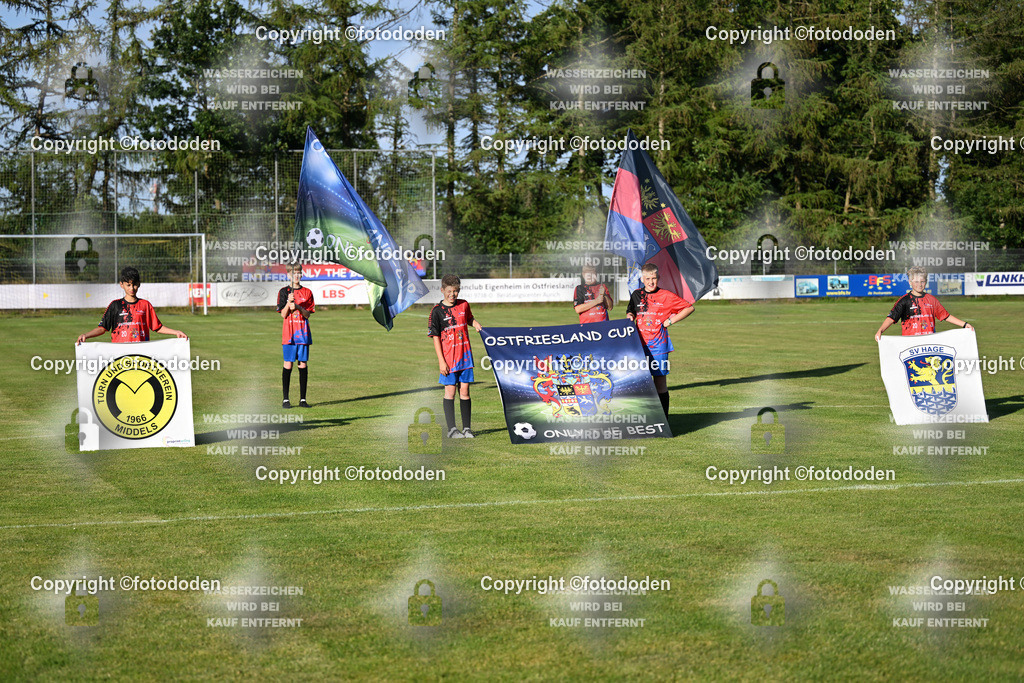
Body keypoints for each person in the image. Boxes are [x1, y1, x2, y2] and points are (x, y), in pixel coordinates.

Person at [625, 263, 694, 417]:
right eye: (648, 278)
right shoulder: (636, 294)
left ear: (658, 278)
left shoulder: (666, 296)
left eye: (654, 278)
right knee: (639, 383)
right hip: (638, 346)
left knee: (660, 382)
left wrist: (671, 321)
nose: (651, 282)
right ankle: (644, 418)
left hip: (658, 346)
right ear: (642, 279)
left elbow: (689, 308)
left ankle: (663, 420)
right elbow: (631, 311)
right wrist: (630, 316)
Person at [428, 274, 483, 438]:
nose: (453, 295)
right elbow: (435, 337)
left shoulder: (464, 305)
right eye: (450, 291)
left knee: (465, 391)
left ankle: (467, 429)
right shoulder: (436, 312)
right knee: (450, 392)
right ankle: (452, 429)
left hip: (465, 357)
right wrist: (441, 361)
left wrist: (476, 324)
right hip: (449, 360)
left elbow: (469, 318)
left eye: (456, 291)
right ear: (442, 290)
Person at [76, 266, 188, 344]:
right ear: (122, 285)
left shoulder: (145, 305)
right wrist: (86, 335)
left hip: (141, 352)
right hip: (120, 353)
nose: (131, 288)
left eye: (134, 285)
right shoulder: (115, 305)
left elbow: (157, 327)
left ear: (139, 284)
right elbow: (102, 328)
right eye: (128, 285)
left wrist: (176, 332)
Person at [875, 267, 973, 341]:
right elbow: (892, 317)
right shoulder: (904, 300)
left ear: (926, 282)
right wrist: (880, 331)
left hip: (929, 341)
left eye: (922, 281)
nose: (920, 284)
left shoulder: (931, 299)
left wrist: (964, 324)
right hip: (910, 342)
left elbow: (945, 316)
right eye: (916, 281)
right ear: (910, 282)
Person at [277, 263, 314, 408]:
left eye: (298, 273)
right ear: (289, 275)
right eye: (293, 273)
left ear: (301, 274)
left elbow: (308, 314)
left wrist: (298, 306)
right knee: (288, 364)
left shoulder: (307, 292)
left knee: (303, 364)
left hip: (303, 334)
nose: (296, 276)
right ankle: (286, 399)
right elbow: (283, 314)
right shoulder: (284, 291)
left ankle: (303, 399)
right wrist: (288, 303)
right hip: (289, 334)